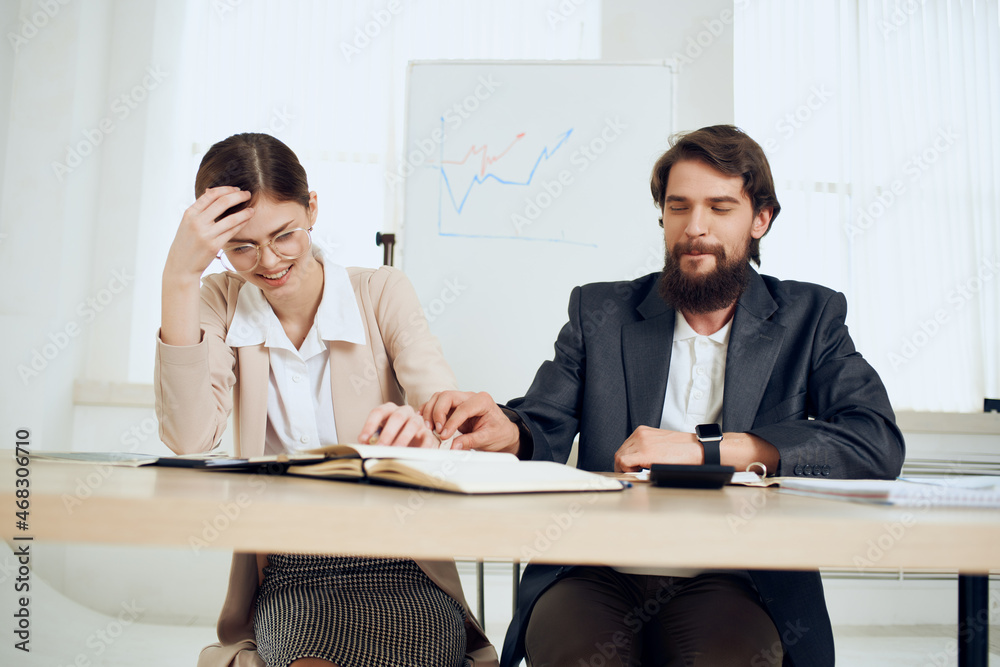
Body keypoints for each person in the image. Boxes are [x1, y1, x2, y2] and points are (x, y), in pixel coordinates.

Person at [421, 125, 905, 666]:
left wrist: (708, 450)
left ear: (761, 219)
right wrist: (507, 429)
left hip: (735, 575)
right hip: (596, 568)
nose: (694, 227)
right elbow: (543, 421)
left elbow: (875, 442)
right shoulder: (600, 312)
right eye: (679, 207)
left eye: (719, 207)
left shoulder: (810, 317)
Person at [154, 132, 497, 667]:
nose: (269, 261)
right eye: (242, 247)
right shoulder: (218, 300)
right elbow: (189, 436)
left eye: (284, 235)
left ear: (312, 209)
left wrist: (425, 430)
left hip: (401, 560)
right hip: (292, 568)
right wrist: (179, 275)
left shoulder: (380, 291)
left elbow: (444, 409)